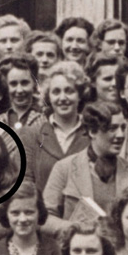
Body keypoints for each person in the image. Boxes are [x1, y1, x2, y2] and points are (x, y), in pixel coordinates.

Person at [43, 100, 128, 232]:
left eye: (123, 128)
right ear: (92, 132)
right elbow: (45, 219)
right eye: (112, 128)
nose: (120, 135)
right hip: (79, 249)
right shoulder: (64, 168)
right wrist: (78, 229)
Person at [26, 61, 91, 193]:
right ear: (48, 96)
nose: (62, 98)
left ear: (80, 95)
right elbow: (25, 184)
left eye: (69, 91)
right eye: (56, 92)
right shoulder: (32, 136)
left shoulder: (92, 134)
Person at [0, 52, 43, 132]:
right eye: (13, 84)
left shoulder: (43, 117)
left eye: (24, 83)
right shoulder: (0, 119)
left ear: (34, 83)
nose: (19, 90)